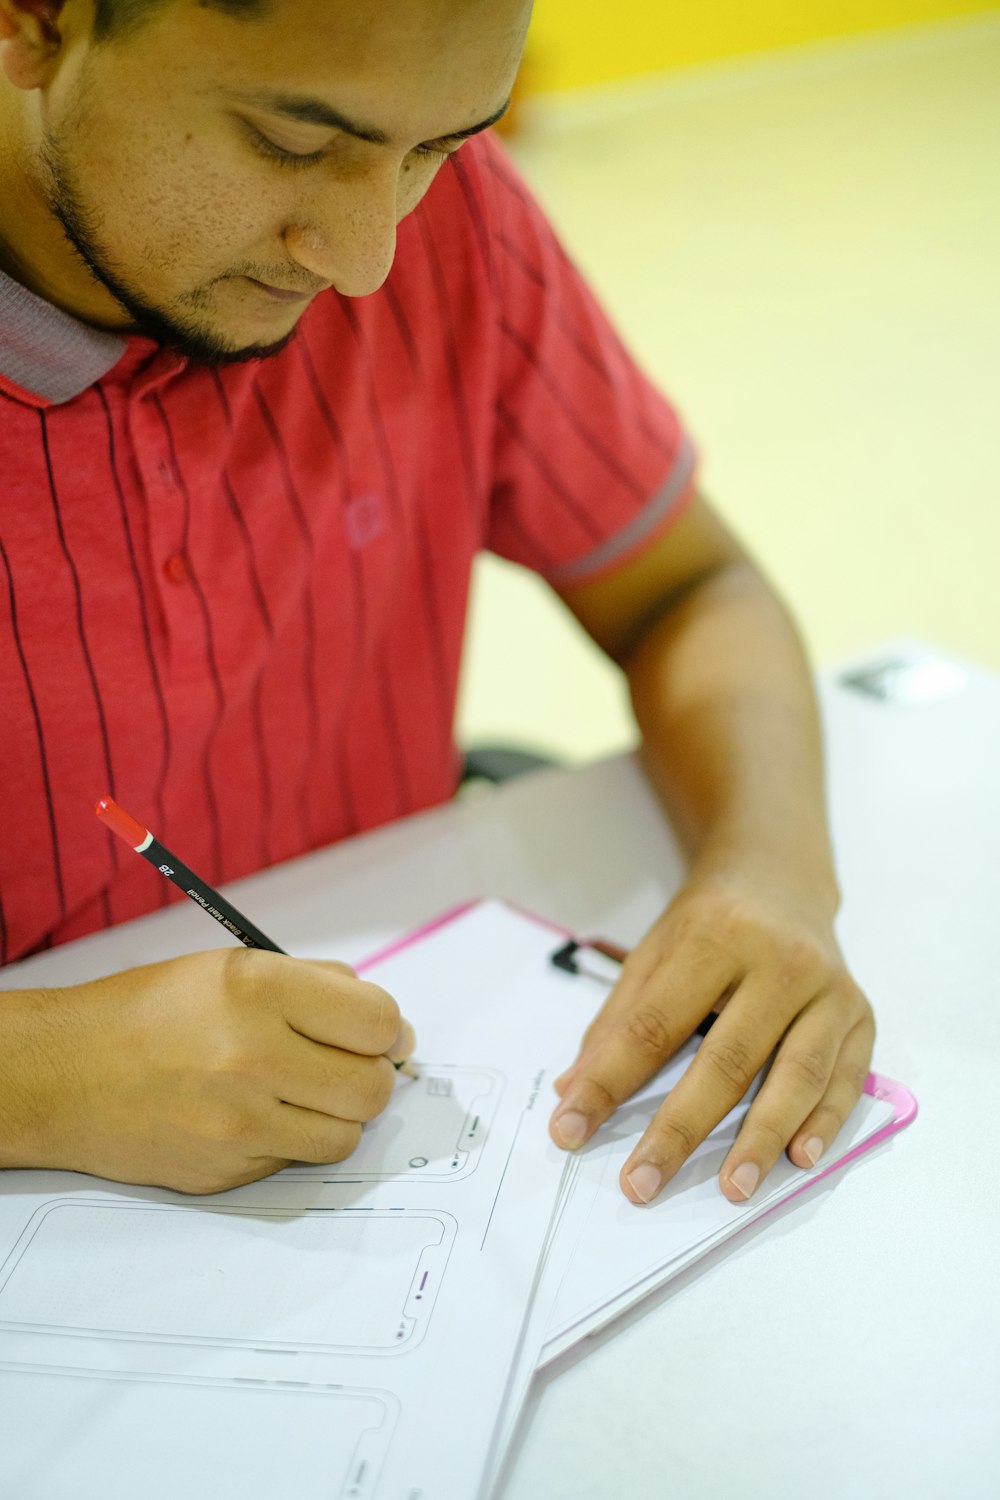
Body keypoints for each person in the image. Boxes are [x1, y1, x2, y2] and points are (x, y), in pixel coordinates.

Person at [0, 0, 875, 1204]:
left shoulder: (459, 229)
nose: (366, 259)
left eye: (436, 148)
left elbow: (691, 587)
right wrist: (40, 1078)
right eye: (292, 144)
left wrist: (770, 874)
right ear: (33, 23)